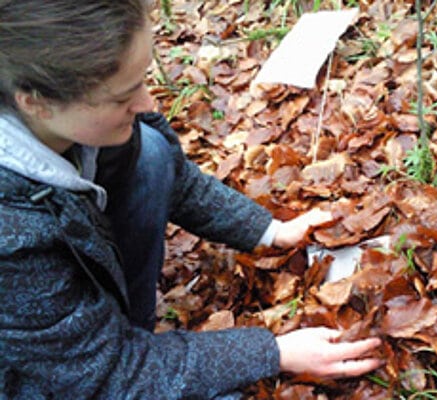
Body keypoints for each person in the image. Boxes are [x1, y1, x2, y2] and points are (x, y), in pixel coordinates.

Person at [0, 1, 383, 398]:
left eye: (144, 79)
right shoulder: (11, 232)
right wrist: (273, 351)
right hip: (38, 378)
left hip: (82, 340)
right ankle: (131, 339)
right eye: (122, 97)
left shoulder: (75, 124)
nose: (148, 103)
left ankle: (130, 328)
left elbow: (177, 182)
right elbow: (107, 375)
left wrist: (272, 232)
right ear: (34, 101)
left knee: (146, 151)